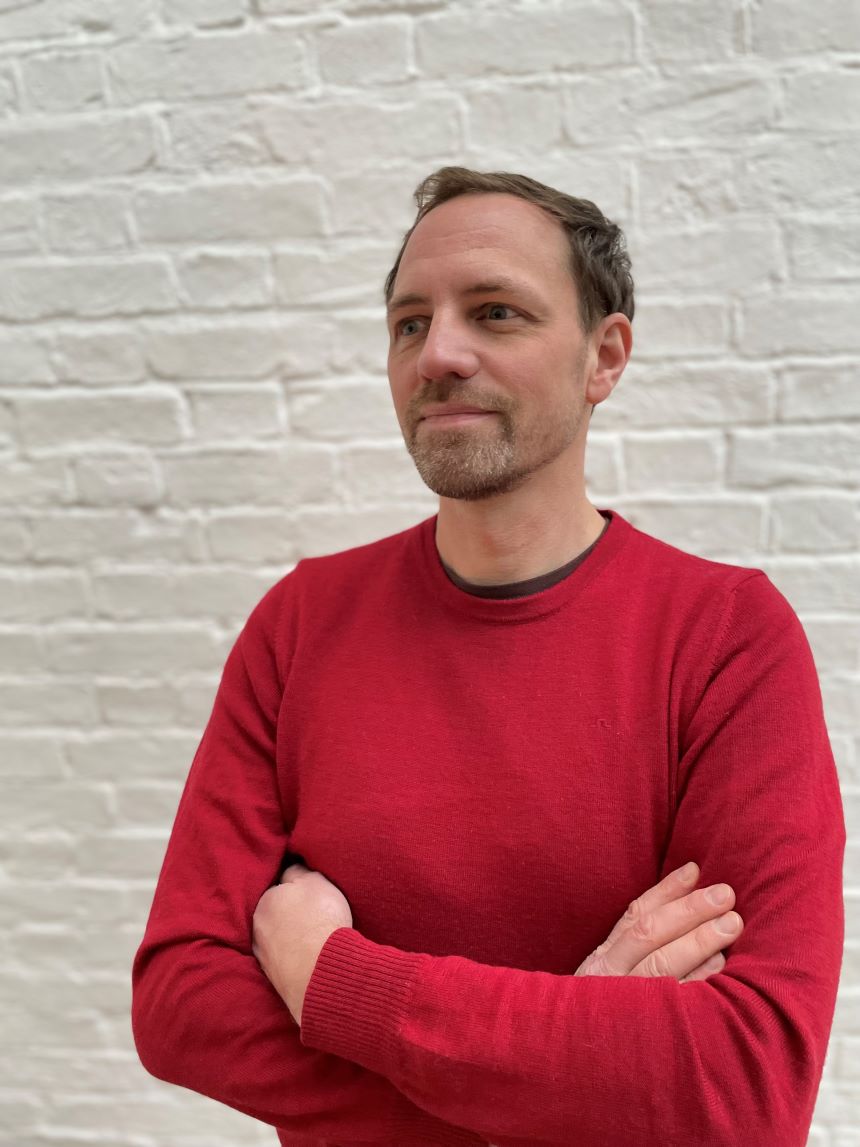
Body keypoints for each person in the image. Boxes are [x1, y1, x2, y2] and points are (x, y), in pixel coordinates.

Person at [131, 167, 845, 1147]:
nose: (439, 354)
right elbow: (180, 1005)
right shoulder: (300, 623)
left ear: (603, 357)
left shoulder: (726, 638)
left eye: (496, 312)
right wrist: (571, 1074)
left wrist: (329, 976)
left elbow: (746, 1087)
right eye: (408, 322)